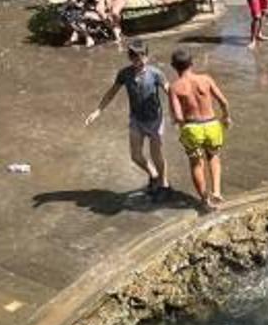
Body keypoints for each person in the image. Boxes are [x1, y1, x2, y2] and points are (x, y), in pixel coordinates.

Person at [85, 39, 171, 196]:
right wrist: (98, 110)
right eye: (134, 56)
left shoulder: (156, 73)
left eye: (141, 56)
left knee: (156, 154)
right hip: (136, 120)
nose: (138, 59)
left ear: (147, 56)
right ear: (129, 57)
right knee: (136, 156)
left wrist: (180, 112)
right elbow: (112, 92)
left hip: (155, 120)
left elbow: (170, 91)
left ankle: (164, 185)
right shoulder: (124, 74)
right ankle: (153, 175)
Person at [168, 49, 230, 209]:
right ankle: (216, 191)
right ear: (192, 63)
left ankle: (204, 199)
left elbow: (178, 116)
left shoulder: (174, 87)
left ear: (174, 67)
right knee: (213, 157)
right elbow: (223, 102)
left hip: (192, 128)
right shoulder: (206, 79)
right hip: (211, 124)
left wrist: (182, 128)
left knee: (196, 163)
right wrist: (226, 117)